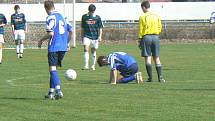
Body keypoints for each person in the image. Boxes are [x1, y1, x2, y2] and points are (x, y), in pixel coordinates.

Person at [38, 1, 72, 100]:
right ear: (53, 6)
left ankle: (58, 91)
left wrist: (41, 40)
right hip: (62, 47)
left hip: (54, 46)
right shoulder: (63, 16)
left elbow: (51, 33)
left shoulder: (50, 17)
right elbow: (71, 31)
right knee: (53, 70)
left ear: (46, 8)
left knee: (52, 69)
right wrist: (67, 43)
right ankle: (51, 93)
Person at [138, 1, 165, 83]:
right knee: (156, 57)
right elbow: (160, 27)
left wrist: (139, 39)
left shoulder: (142, 17)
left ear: (143, 7)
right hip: (156, 37)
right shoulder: (156, 16)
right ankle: (160, 77)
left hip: (146, 37)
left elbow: (141, 29)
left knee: (148, 57)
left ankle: (150, 78)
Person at [81, 4, 103, 70]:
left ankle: (93, 66)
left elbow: (100, 28)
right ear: (89, 10)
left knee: (93, 51)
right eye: (91, 11)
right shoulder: (84, 17)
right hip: (86, 36)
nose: (92, 12)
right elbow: (82, 28)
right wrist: (82, 36)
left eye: (93, 11)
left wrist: (100, 36)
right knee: (85, 49)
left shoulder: (97, 17)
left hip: (95, 37)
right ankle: (86, 65)